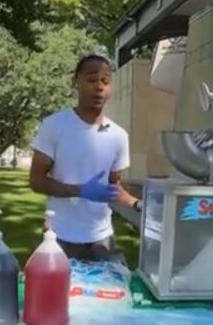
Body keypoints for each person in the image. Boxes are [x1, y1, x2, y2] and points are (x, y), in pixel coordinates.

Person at [29, 54, 140, 264]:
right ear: (76, 82)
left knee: (107, 294)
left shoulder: (118, 136)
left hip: (102, 238)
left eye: (105, 81)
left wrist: (139, 205)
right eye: (91, 79)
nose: (99, 87)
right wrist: (79, 190)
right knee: (61, 295)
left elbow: (113, 188)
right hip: (59, 236)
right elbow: (36, 181)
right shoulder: (55, 126)